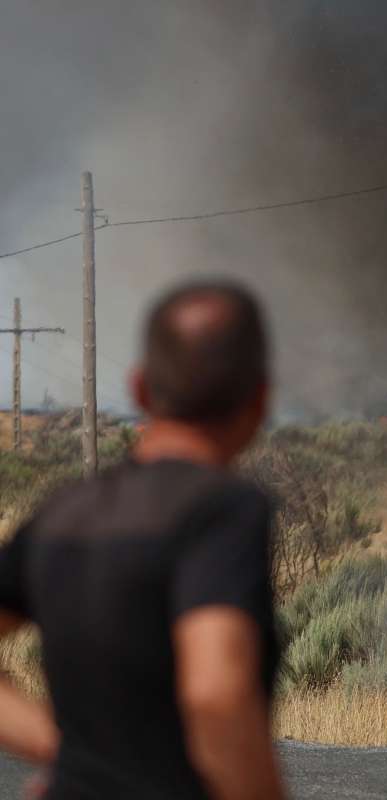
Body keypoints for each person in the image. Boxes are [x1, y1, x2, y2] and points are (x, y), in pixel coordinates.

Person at [0, 281, 286, 799]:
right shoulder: (220, 511)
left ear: (139, 389)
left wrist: (71, 758)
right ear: (261, 397)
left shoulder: (63, 512)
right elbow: (216, 694)